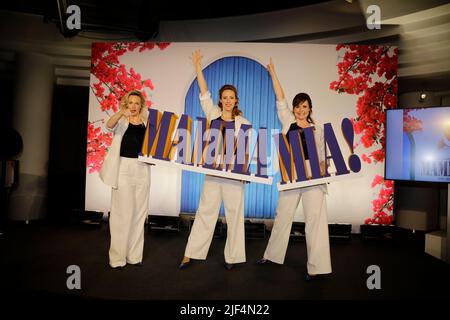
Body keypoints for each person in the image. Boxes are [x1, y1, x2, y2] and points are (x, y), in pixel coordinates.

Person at [257, 58, 332, 280]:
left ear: (310, 109)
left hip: (313, 177)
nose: (300, 110)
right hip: (291, 173)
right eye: (298, 106)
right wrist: (273, 73)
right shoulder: (287, 120)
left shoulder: (317, 129)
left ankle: (317, 268)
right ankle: (271, 256)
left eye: (305, 106)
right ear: (294, 108)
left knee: (315, 221)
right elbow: (280, 97)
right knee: (283, 216)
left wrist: (321, 174)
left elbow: (321, 157)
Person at [179, 50, 251, 270]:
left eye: (231, 98)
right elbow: (204, 93)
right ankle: (190, 254)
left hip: (234, 173)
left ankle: (233, 257)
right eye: (225, 97)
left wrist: (245, 172)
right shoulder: (212, 113)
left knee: (235, 215)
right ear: (221, 100)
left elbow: (246, 150)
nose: (228, 101)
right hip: (214, 170)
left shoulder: (243, 121)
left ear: (236, 100)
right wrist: (198, 67)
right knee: (205, 212)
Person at [99, 90, 151, 269]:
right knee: (122, 214)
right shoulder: (121, 120)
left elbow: (154, 146)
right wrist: (122, 112)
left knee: (139, 214)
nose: (134, 106)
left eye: (137, 103)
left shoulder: (147, 123)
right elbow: (108, 125)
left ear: (141, 105)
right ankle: (117, 258)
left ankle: (134, 256)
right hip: (123, 169)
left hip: (142, 169)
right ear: (126, 104)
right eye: (131, 103)